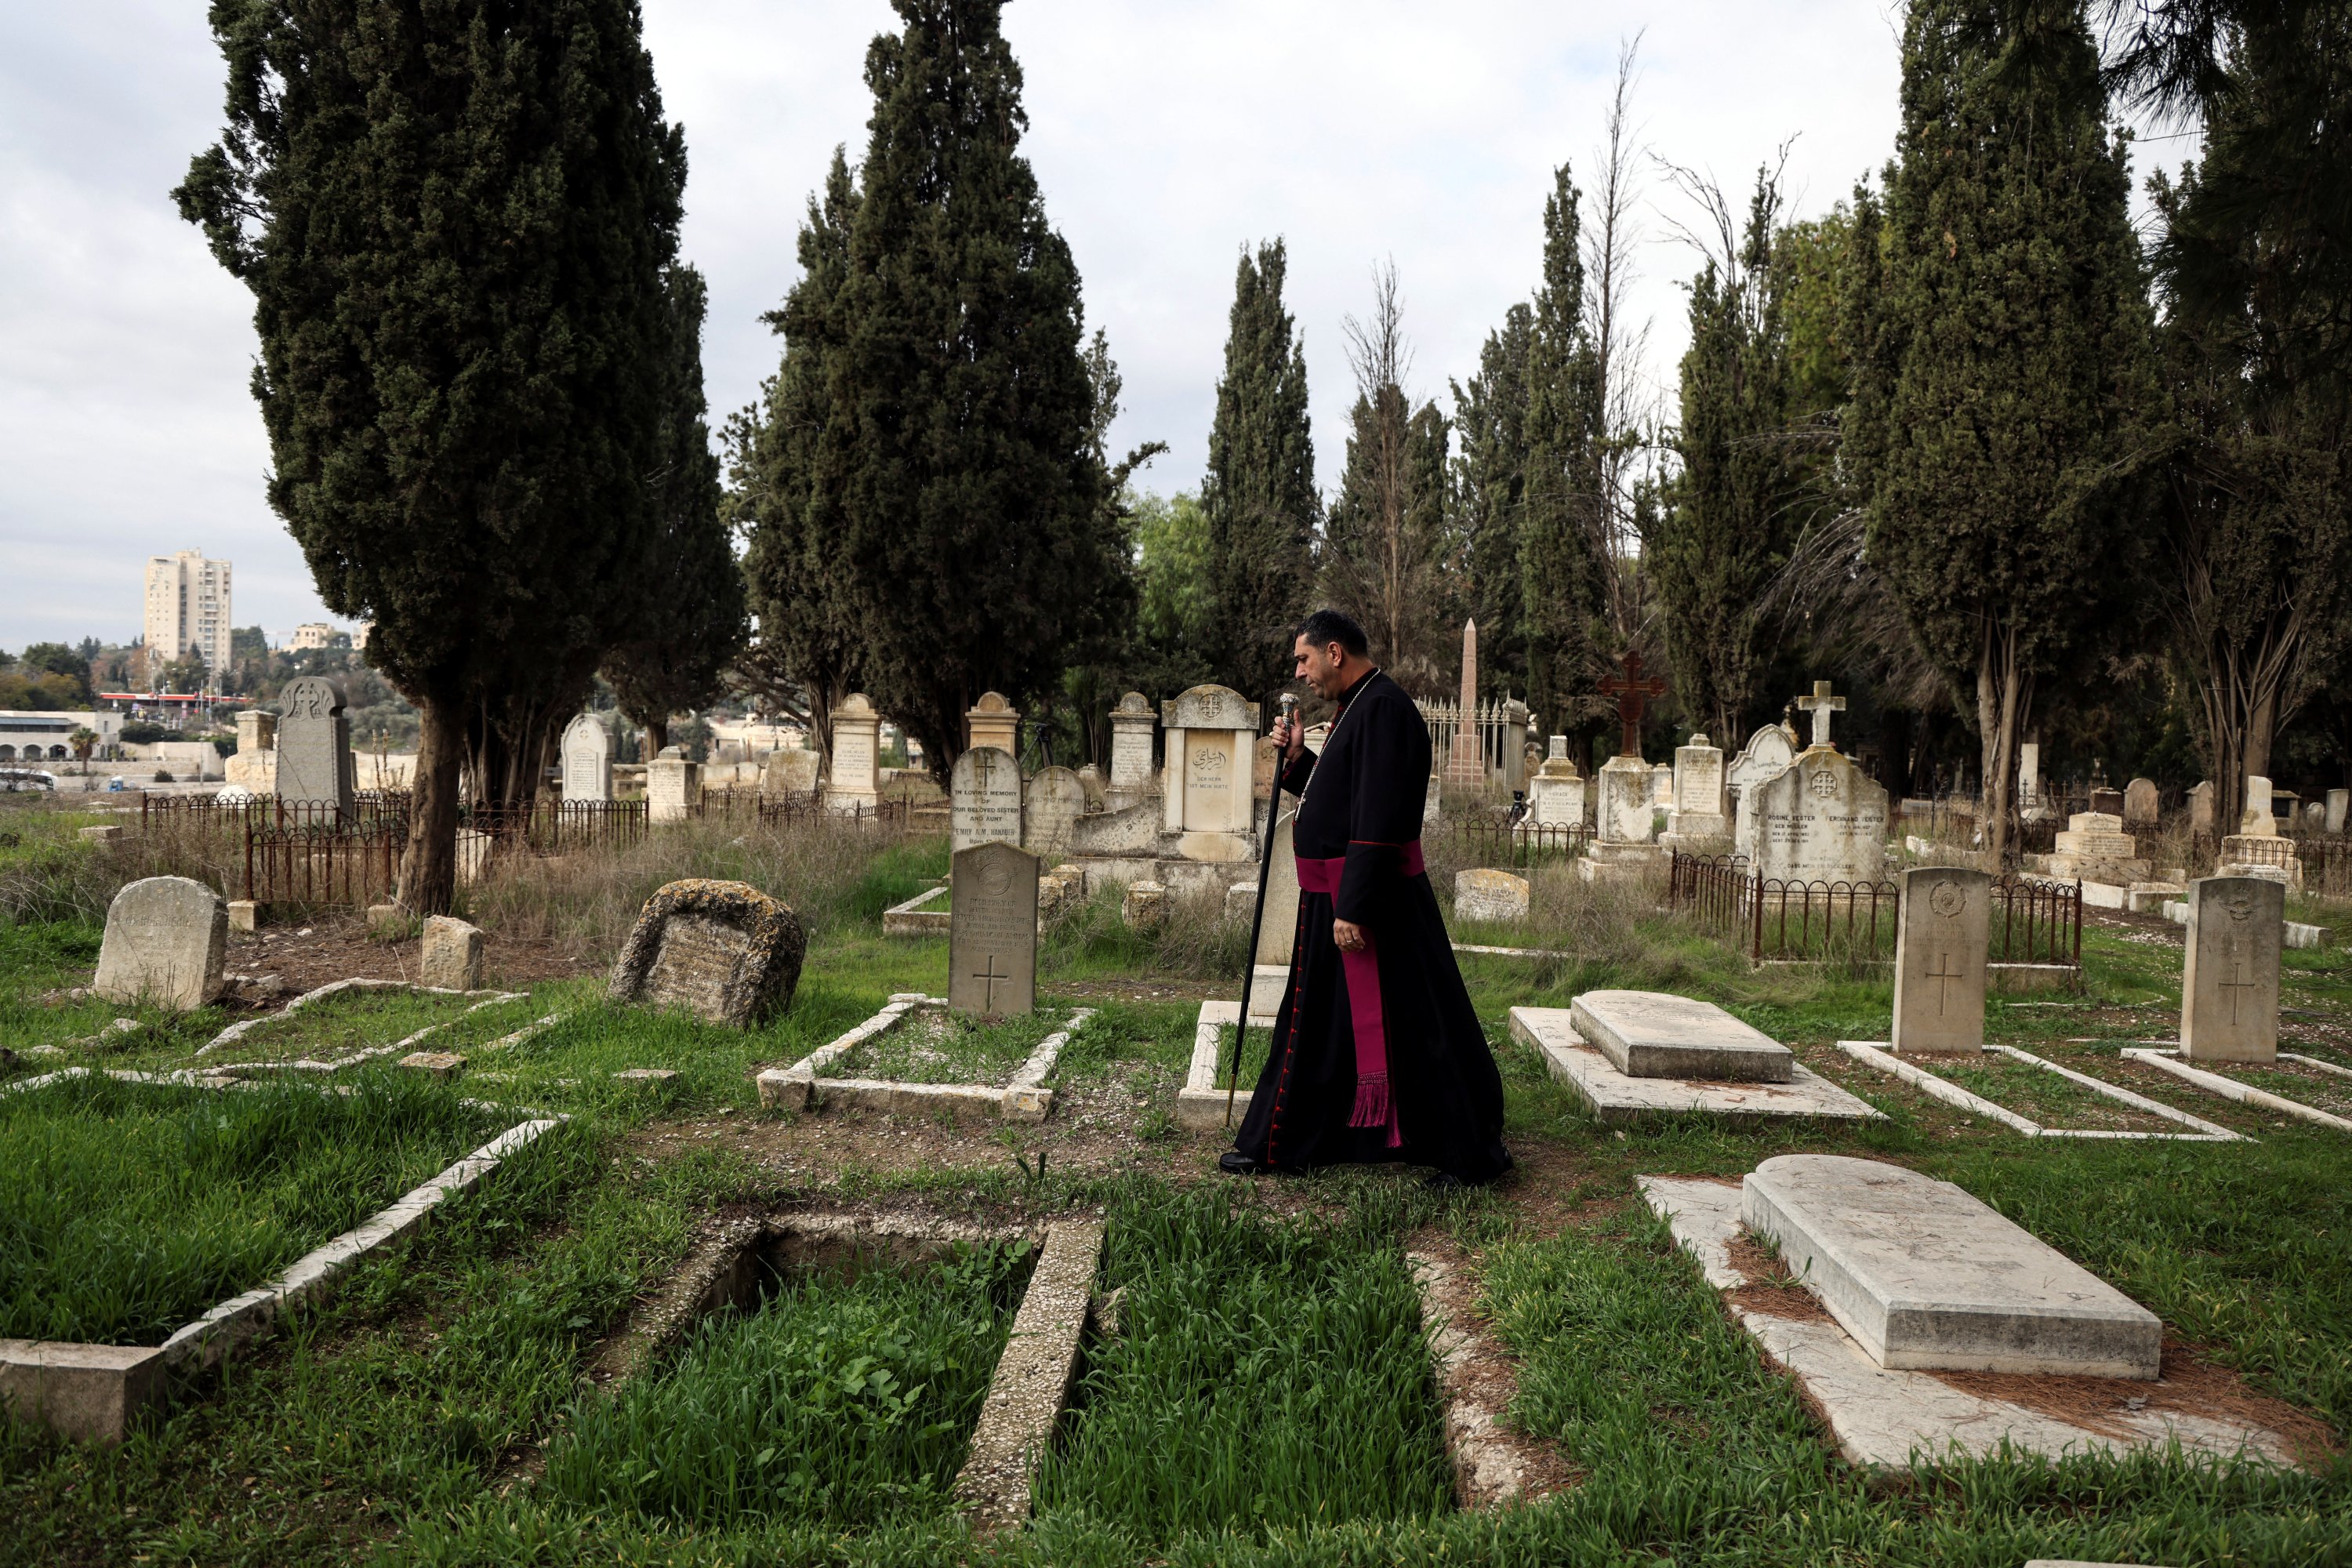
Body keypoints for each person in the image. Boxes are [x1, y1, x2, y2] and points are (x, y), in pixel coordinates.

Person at [1222, 609, 1512, 1187]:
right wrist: (1301, 760)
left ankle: (1469, 1151)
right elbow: (1345, 798)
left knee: (1420, 1023)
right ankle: (1298, 1139)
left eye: (1304, 659)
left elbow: (1378, 817)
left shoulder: (1382, 708)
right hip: (1337, 898)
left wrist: (1354, 906)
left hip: (1369, 903)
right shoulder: (1361, 707)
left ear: (1334, 652)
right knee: (1327, 1029)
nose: (1301, 673)